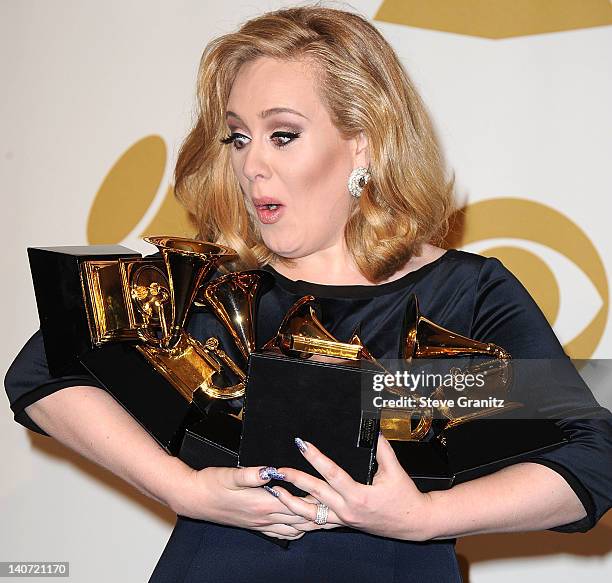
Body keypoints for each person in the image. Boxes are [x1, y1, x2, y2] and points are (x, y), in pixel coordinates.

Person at [5, 6, 612, 582]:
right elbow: (42, 370)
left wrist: (422, 517)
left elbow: (592, 459)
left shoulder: (466, 294)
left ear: (365, 142)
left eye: (283, 135)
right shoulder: (212, 284)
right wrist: (179, 487)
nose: (251, 166)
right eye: (239, 138)